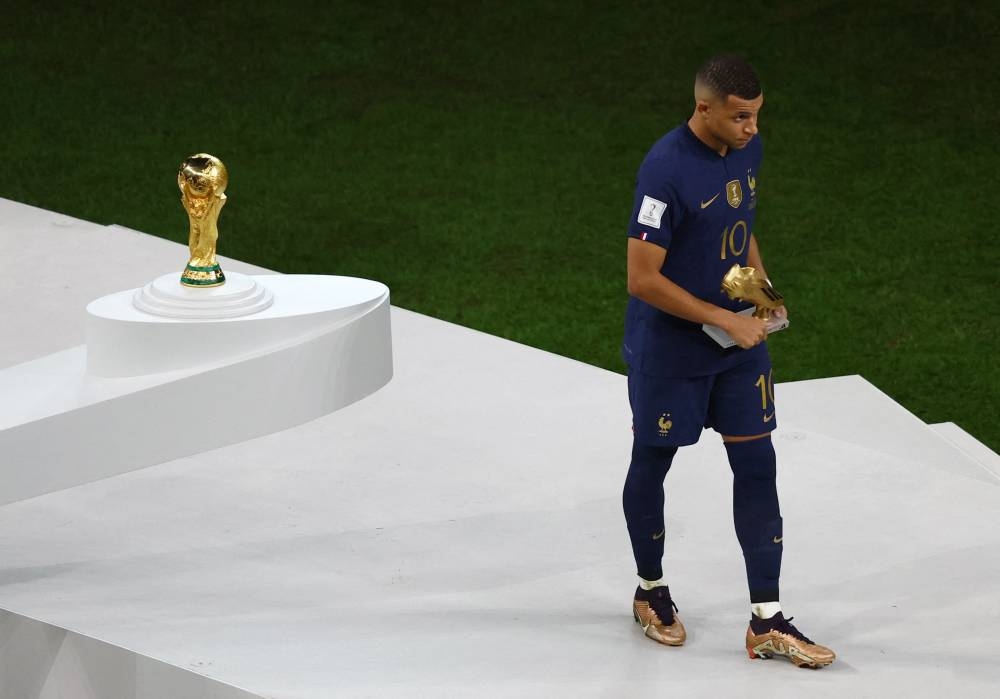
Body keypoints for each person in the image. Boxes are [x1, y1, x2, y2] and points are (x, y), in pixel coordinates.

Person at [622, 54, 835, 668]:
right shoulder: (663, 171)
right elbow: (642, 279)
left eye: (757, 116)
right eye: (740, 117)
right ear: (704, 108)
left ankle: (766, 621)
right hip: (671, 352)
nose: (752, 129)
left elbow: (740, 228)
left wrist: (760, 296)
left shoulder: (747, 152)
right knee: (652, 463)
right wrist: (724, 319)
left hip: (737, 347)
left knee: (758, 463)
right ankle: (650, 590)